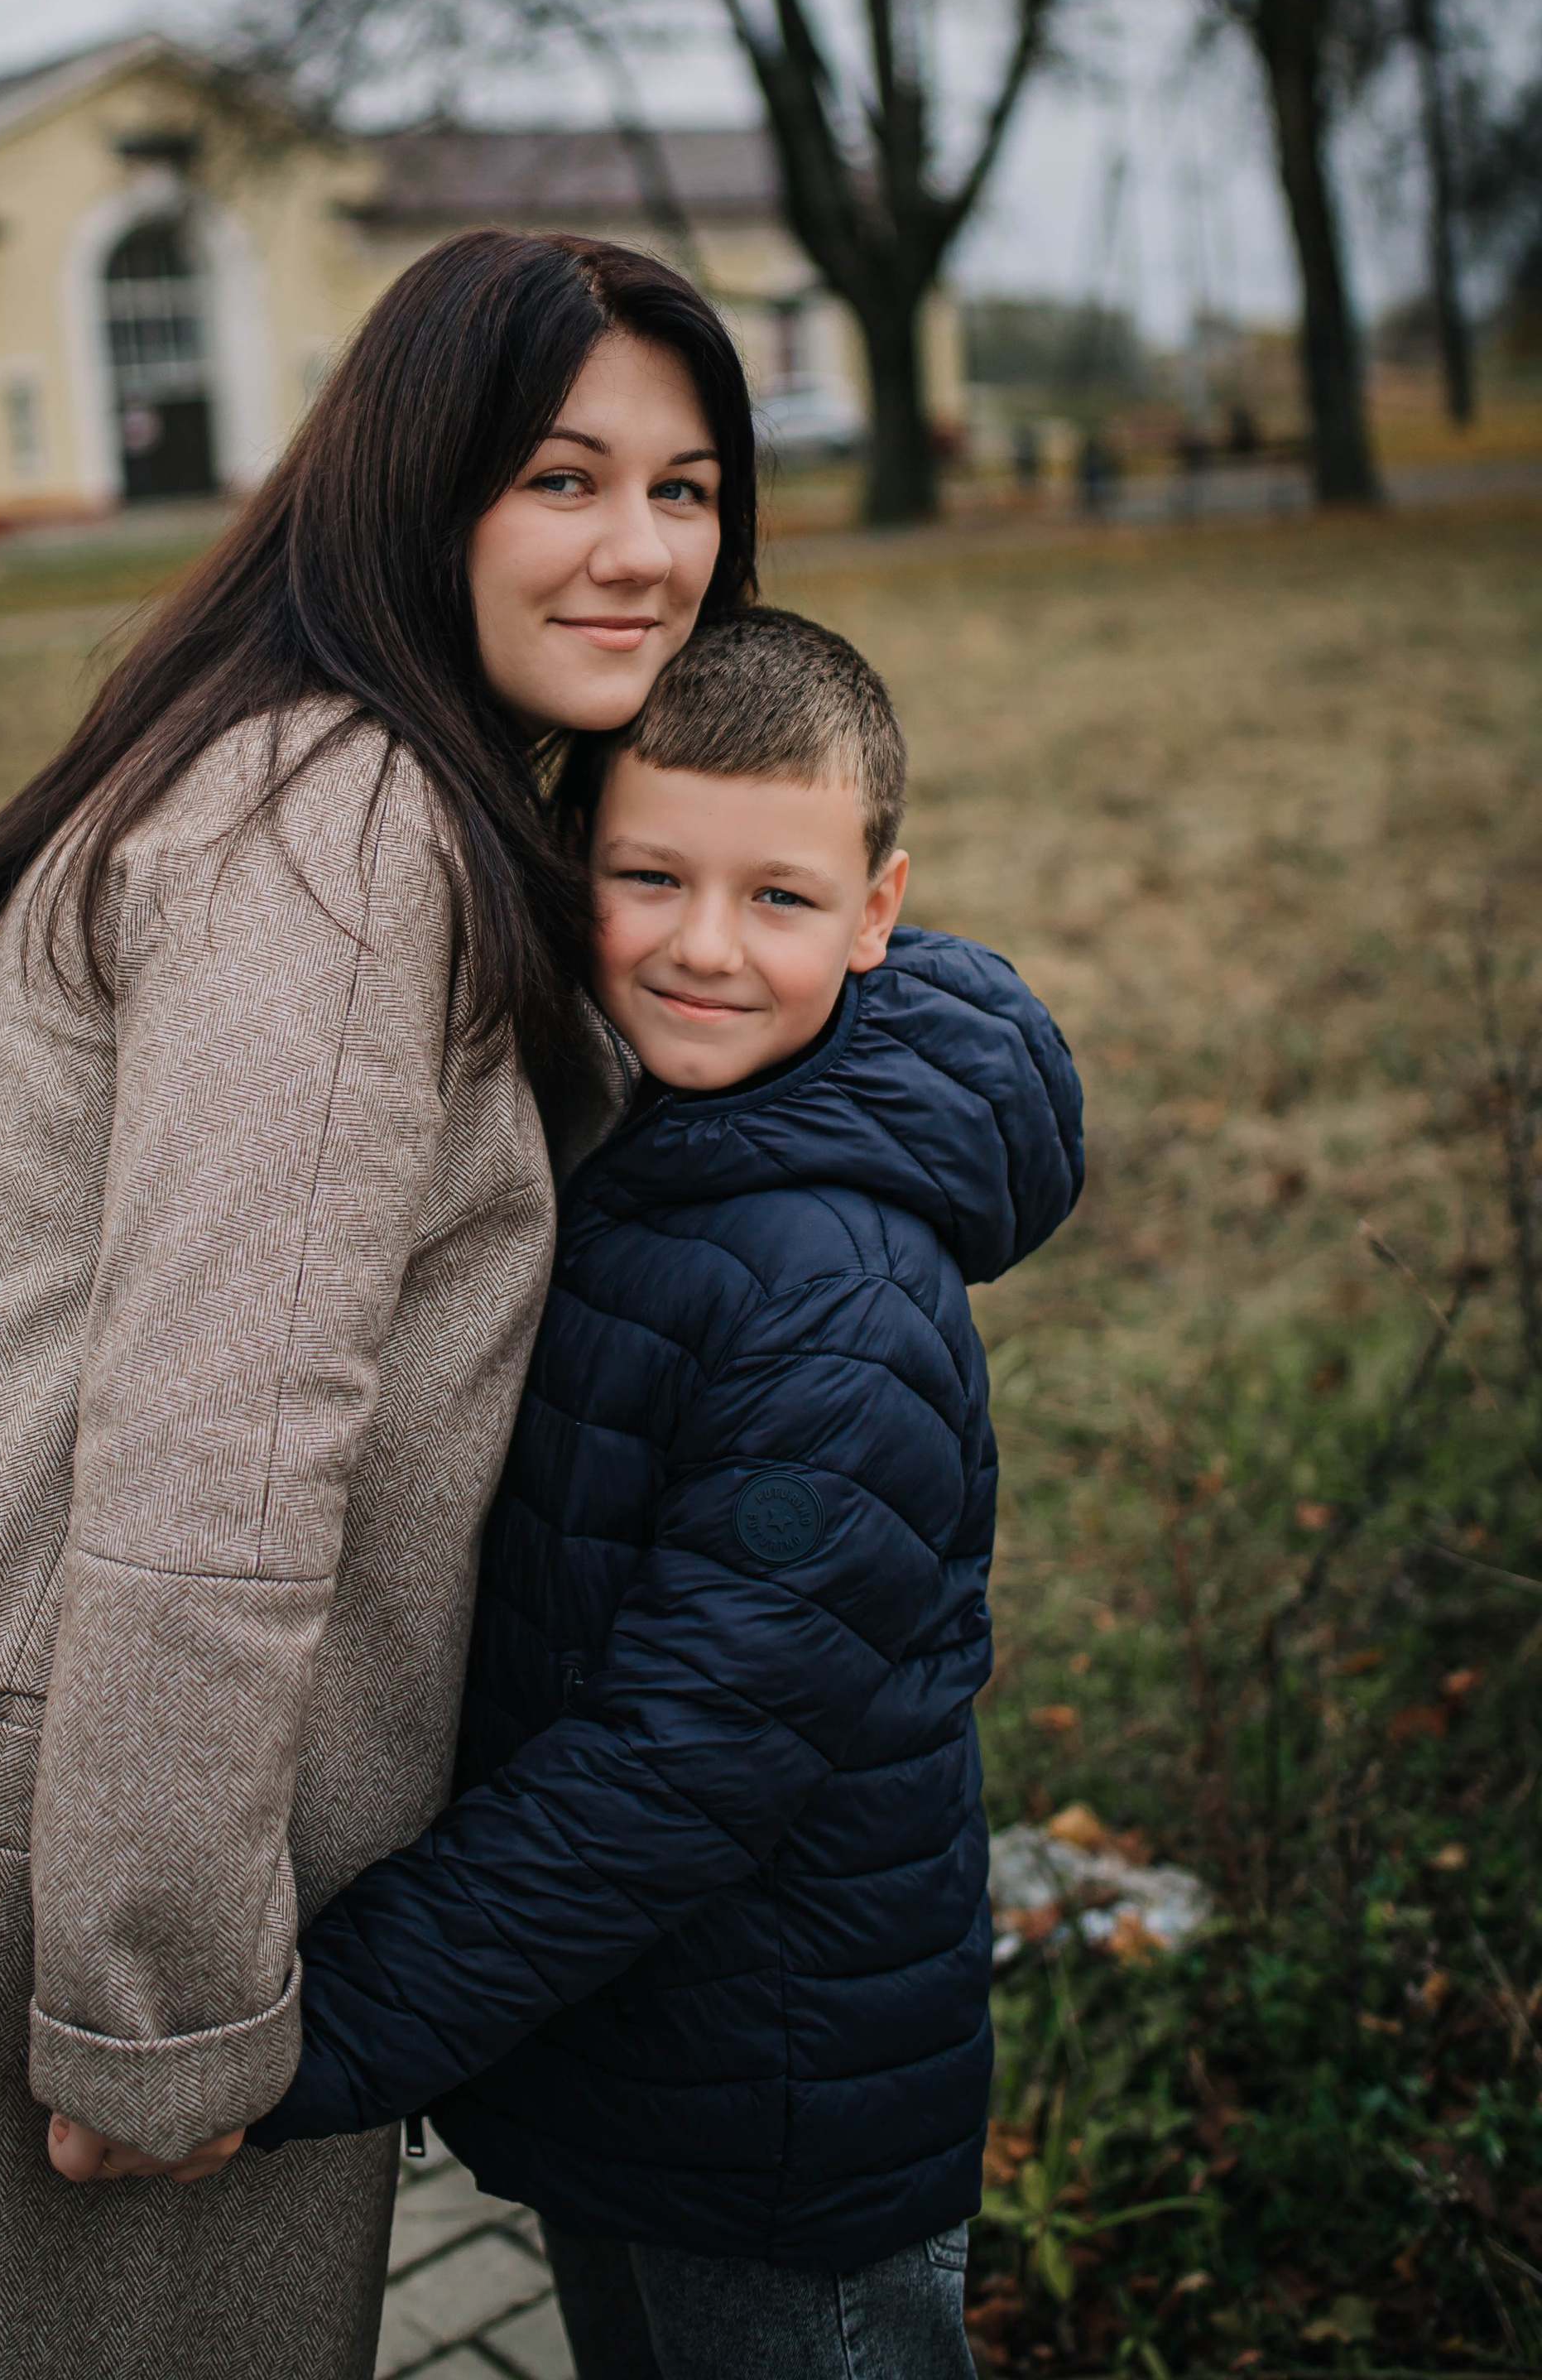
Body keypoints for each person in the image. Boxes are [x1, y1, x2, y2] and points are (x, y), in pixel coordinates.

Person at [0, 229, 759, 2380]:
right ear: (421, 485)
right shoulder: (342, 825)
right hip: (57, 1852)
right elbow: (221, 1445)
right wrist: (159, 2008)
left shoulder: (292, 762)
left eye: (683, 490)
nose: (642, 550)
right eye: (562, 477)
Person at [248, 608, 1085, 2380]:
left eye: (779, 898)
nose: (705, 948)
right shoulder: (641, 1140)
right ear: (577, 871)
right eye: (650, 878)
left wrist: (315, 2035)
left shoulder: (836, 1304)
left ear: (876, 910)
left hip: (770, 2116)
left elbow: (681, 1761)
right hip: (626, 2055)